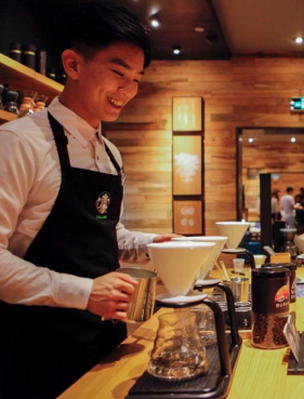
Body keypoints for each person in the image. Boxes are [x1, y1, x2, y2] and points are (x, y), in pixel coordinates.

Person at [0, 4, 178, 398]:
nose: (128, 90)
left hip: (106, 342)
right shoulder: (19, 143)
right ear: (73, 64)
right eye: (118, 73)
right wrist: (83, 293)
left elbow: (105, 233)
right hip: (38, 349)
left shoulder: (111, 153)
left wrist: (153, 245)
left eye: (136, 79)